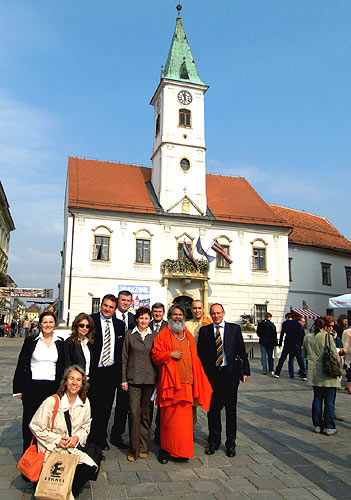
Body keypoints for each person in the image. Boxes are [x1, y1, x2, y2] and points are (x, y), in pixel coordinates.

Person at [151, 304, 212, 464]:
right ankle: (165, 451)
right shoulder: (163, 334)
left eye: (180, 315)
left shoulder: (188, 336)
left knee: (184, 424)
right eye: (174, 315)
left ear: (183, 317)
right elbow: (155, 355)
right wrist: (169, 354)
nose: (177, 317)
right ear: (169, 317)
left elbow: (195, 360)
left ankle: (181, 451)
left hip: (186, 386)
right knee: (168, 422)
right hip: (170, 386)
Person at [30, 365, 98, 498]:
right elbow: (35, 426)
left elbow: (86, 426)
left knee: (91, 468)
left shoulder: (85, 403)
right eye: (71, 379)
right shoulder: (52, 402)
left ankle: (68, 486)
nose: (74, 383)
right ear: (65, 381)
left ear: (82, 384)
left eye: (78, 380)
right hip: (51, 449)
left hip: (71, 448)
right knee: (57, 476)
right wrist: (57, 440)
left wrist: (76, 438)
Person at [197, 303, 250, 457]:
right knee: (213, 411)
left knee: (231, 411)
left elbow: (241, 350)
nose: (216, 316)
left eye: (219, 313)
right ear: (210, 315)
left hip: (230, 374)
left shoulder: (234, 329)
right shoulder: (205, 331)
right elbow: (201, 355)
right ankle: (213, 442)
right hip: (213, 376)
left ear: (224, 313)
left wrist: (245, 370)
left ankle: (230, 444)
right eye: (213, 313)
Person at [13, 311, 65, 452]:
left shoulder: (60, 343)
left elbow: (63, 366)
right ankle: (28, 454)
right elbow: (22, 364)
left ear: (55, 324)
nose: (48, 325)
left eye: (51, 322)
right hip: (32, 387)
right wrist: (18, 388)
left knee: (49, 423)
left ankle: (45, 454)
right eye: (45, 322)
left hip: (52, 388)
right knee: (30, 422)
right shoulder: (31, 340)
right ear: (40, 324)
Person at [89, 294, 127, 449]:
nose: (107, 309)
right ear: (101, 305)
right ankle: (90, 437)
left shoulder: (119, 325)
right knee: (91, 407)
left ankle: (101, 438)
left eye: (111, 307)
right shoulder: (91, 320)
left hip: (110, 372)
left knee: (105, 408)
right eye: (105, 305)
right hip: (94, 371)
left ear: (115, 309)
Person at [121, 307, 157, 461]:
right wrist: (123, 379)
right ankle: (133, 448)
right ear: (137, 319)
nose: (143, 321)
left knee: (146, 414)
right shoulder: (130, 335)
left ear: (150, 320)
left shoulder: (155, 336)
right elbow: (124, 357)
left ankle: (144, 446)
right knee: (134, 413)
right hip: (133, 379)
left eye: (146, 319)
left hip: (149, 380)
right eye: (141, 318)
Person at [302, 318, 341, 435]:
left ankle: (317, 425)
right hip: (327, 371)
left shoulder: (307, 337)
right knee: (329, 400)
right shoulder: (327, 337)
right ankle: (329, 426)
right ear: (324, 326)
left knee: (317, 398)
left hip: (314, 372)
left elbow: (304, 354)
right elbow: (335, 355)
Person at [149, 302, 167, 443]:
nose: (157, 314)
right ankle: (146, 433)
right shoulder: (145, 325)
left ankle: (160, 433)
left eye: (159, 311)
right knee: (147, 405)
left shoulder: (168, 326)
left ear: (163, 313)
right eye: (155, 311)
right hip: (148, 370)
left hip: (163, 370)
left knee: (162, 405)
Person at [272, 313, 307, 380]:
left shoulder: (285, 323)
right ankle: (304, 375)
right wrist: (302, 344)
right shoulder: (298, 324)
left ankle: (277, 373)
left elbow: (282, 333)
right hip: (296, 343)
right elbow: (302, 335)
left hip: (288, 342)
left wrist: (280, 344)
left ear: (286, 317)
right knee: (299, 359)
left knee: (282, 358)